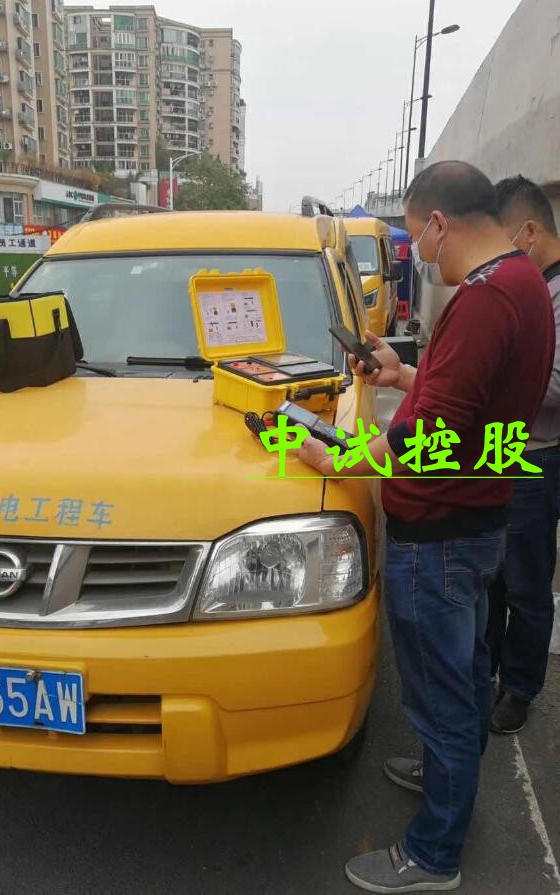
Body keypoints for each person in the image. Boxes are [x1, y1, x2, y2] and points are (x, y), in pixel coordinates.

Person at [293, 161, 554, 892]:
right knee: (464, 675)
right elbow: (468, 401)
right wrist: (401, 374)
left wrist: (340, 458)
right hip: (477, 519)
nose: (421, 255)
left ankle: (434, 852)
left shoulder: (483, 299)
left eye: (416, 238)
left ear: (440, 222)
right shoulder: (524, 282)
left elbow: (426, 433)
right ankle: (450, 775)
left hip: (439, 533)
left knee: (440, 694)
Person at [486, 175, 560, 735]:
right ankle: (487, 668)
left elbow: (553, 385)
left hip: (536, 457)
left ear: (529, 233)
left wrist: (483, 388)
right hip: (503, 449)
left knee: (527, 582)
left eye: (505, 244)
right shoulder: (531, 287)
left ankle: (519, 688)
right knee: (492, 574)